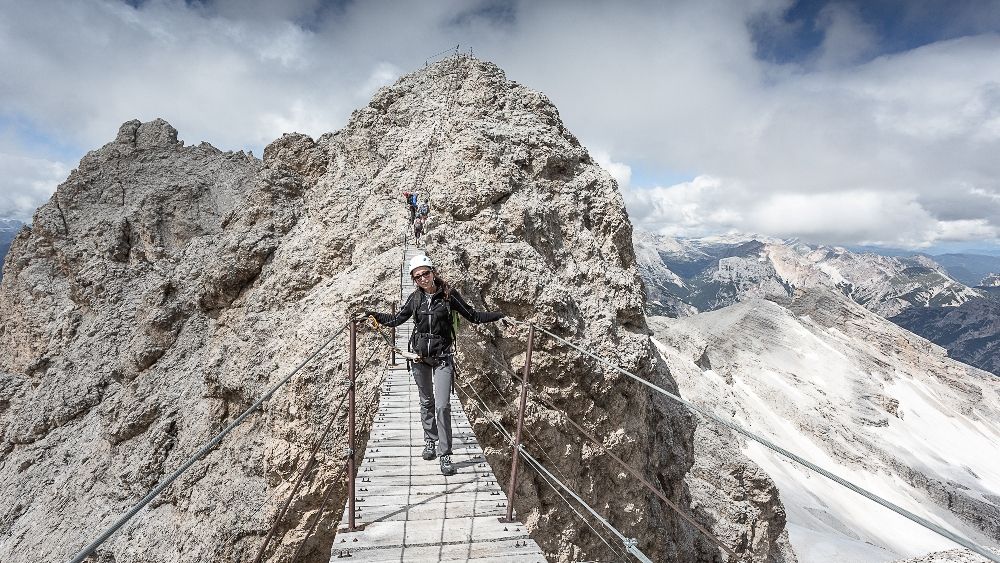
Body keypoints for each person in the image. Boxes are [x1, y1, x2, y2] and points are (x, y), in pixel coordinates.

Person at [365, 255, 505, 476]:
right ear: (413, 279)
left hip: (443, 358)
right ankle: (430, 440)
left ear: (433, 272)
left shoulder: (449, 296)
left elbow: (474, 316)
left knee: (442, 405)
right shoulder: (415, 299)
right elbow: (396, 320)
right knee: (426, 402)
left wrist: (499, 315)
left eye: (426, 273)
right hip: (419, 358)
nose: (423, 278)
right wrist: (373, 315)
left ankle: (445, 453)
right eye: (417, 276)